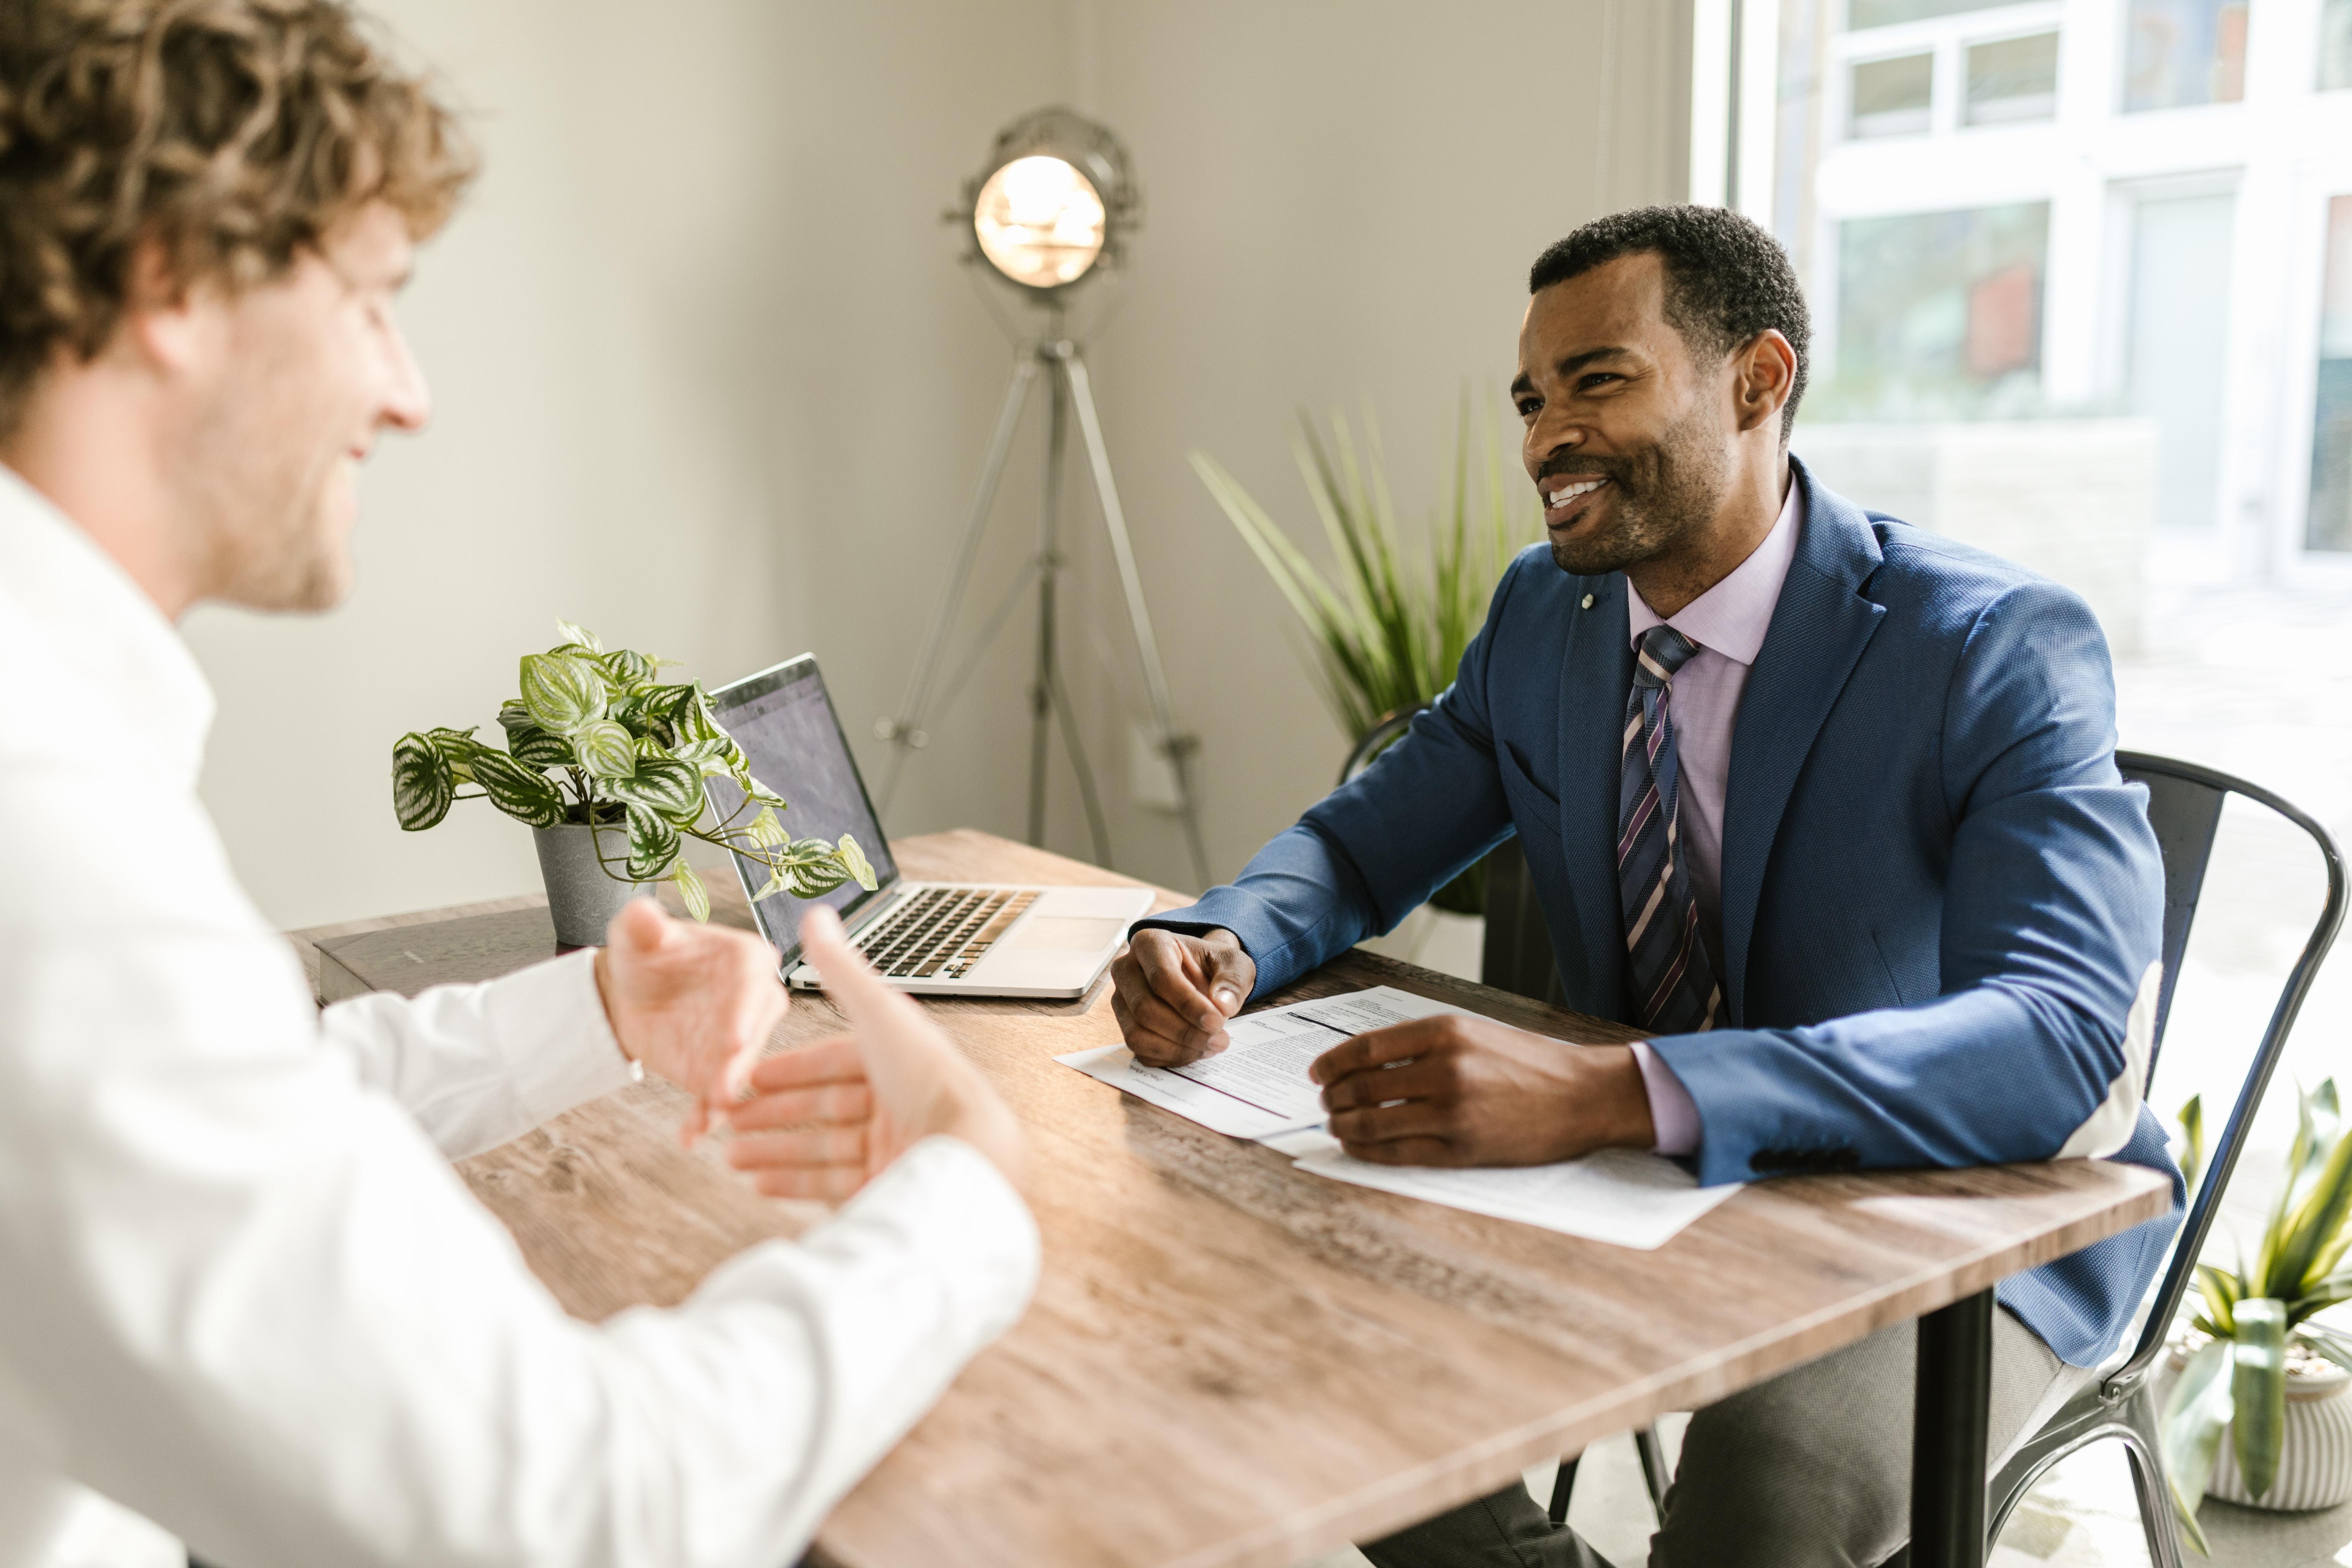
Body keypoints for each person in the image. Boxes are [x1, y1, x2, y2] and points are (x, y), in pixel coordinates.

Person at [0, 4, 1034, 1566]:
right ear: (174, 282)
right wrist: (968, 1190)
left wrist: (595, 1019)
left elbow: (213, 1121)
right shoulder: (44, 836)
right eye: (371, 300)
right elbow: (576, 1510)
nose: (406, 392)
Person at [1110, 205, 2180, 1567]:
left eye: (1597, 380)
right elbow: (1357, 846)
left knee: (1763, 1504)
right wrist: (1224, 940)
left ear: (1759, 379)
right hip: (1634, 1176)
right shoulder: (1542, 621)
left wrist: (1613, 1091)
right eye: (1531, 398)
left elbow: (2063, 1037)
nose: (1547, 434)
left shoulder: (1990, 643)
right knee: (1295, 1341)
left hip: (1948, 1212)